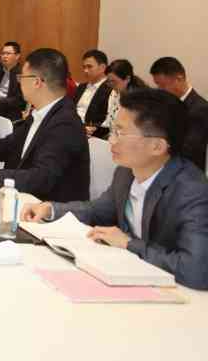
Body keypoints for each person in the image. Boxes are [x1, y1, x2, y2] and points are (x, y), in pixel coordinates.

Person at [22, 89, 208, 290]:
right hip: (131, 278)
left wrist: (128, 244)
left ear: (157, 147)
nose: (111, 140)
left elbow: (195, 270)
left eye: (120, 133)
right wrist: (51, 209)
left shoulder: (191, 191)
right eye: (113, 130)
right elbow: (98, 210)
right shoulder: (126, 172)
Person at [0, 48, 89, 202]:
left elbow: (42, 177)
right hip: (24, 198)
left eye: (22, 77)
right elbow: (11, 144)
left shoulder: (65, 123)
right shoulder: (41, 113)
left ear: (36, 82)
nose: (19, 82)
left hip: (48, 208)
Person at [150, 56, 208, 170]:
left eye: (163, 85)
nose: (160, 90)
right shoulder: (169, 102)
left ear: (179, 79)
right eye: (157, 85)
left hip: (187, 170)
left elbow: (190, 149)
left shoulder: (201, 109)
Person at [100, 59, 147, 135]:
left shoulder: (139, 99)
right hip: (112, 136)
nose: (110, 85)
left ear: (127, 79)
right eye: (108, 81)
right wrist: (97, 130)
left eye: (113, 81)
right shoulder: (114, 93)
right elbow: (109, 120)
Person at [0, 41, 26, 121]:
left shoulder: (21, 74)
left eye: (8, 53)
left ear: (17, 56)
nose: (4, 56)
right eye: (3, 53)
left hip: (9, 110)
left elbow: (20, 101)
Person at [75, 49, 112, 138]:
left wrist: (92, 128)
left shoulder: (110, 90)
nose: (85, 70)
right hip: (73, 126)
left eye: (89, 67)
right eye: (84, 67)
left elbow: (108, 120)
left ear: (102, 67)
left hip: (92, 132)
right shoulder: (81, 87)